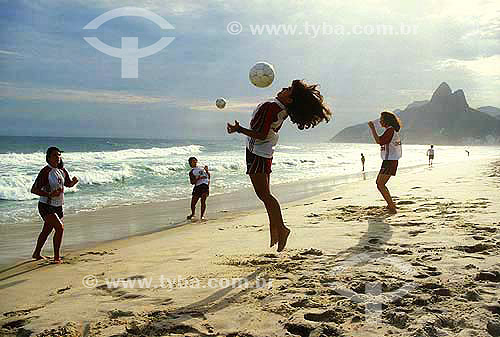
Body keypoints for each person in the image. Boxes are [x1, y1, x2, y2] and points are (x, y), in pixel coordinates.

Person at [227, 79, 332, 252]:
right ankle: (275, 229)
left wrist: (239, 130)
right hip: (263, 150)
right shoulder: (279, 107)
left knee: (264, 195)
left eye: (288, 89)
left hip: (258, 152)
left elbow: (260, 134)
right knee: (265, 195)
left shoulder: (272, 107)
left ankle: (281, 229)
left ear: (289, 99)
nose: (284, 88)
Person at [31, 147, 78, 264]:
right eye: (54, 155)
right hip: (46, 205)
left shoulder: (62, 170)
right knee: (59, 228)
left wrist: (73, 182)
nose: (58, 157)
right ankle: (57, 257)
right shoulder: (45, 171)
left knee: (47, 230)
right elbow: (34, 190)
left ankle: (36, 253)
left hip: (58, 206)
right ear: (48, 158)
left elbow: (67, 184)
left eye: (59, 155)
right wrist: (49, 194)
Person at [368, 111, 402, 214]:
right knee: (380, 183)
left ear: (386, 121)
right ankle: (390, 204)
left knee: (380, 184)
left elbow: (379, 141)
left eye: (381, 119)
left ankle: (392, 207)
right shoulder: (390, 130)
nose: (380, 121)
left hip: (390, 161)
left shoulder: (390, 130)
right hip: (390, 160)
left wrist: (372, 128)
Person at [187, 157, 210, 221]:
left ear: (197, 161)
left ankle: (202, 216)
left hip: (204, 186)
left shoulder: (202, 168)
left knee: (203, 201)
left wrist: (207, 171)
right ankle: (193, 214)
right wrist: (198, 178)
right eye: (192, 162)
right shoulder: (191, 172)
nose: (194, 162)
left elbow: (208, 176)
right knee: (193, 203)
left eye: (194, 161)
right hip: (197, 187)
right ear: (190, 164)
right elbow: (192, 182)